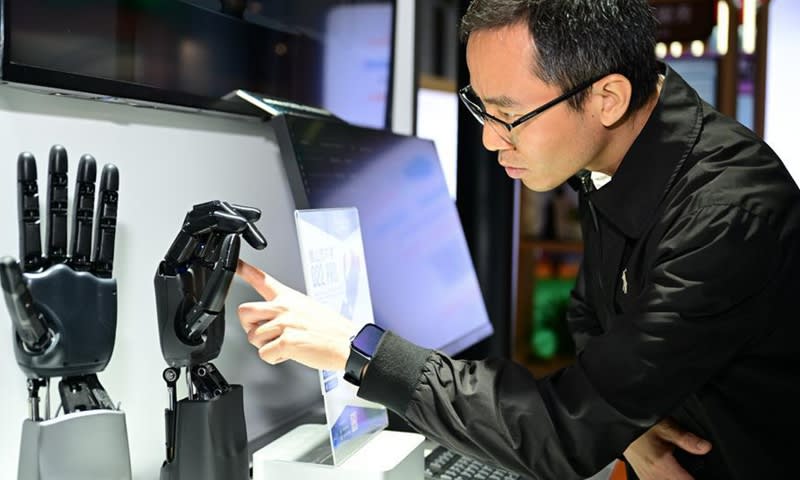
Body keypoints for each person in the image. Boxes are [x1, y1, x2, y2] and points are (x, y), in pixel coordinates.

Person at [236, 0, 800, 478]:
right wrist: (631, 422)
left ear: (608, 97)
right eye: (480, 105)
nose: (487, 138)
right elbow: (591, 316)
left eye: (508, 114)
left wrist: (356, 351)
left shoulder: (724, 213)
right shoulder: (615, 155)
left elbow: (563, 431)